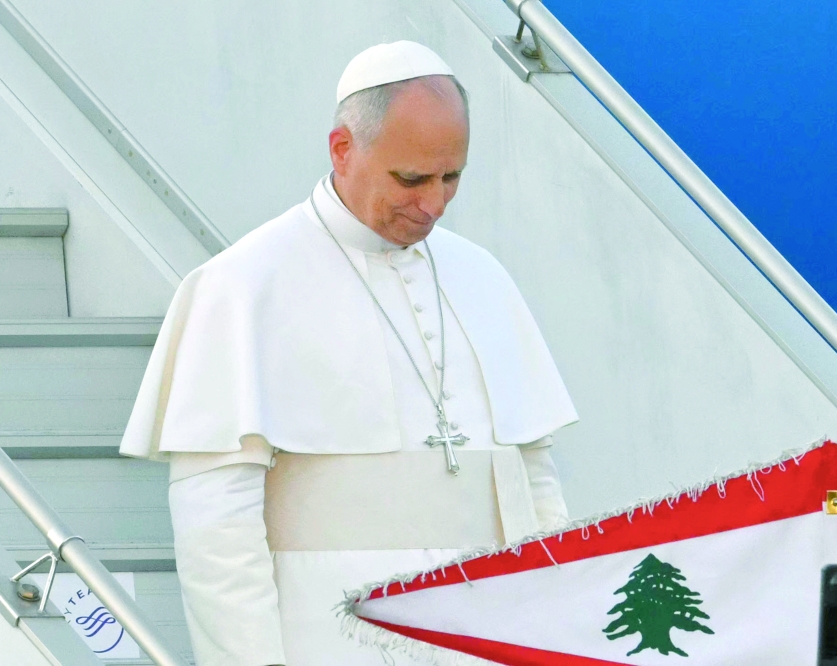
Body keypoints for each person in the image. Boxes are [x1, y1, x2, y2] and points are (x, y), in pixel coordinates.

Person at [120, 41, 577, 665]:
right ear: (343, 149)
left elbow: (535, 482)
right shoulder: (243, 284)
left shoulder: (483, 277)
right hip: (329, 644)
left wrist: (557, 637)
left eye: (452, 177)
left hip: (486, 640)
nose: (434, 205)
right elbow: (215, 526)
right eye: (411, 179)